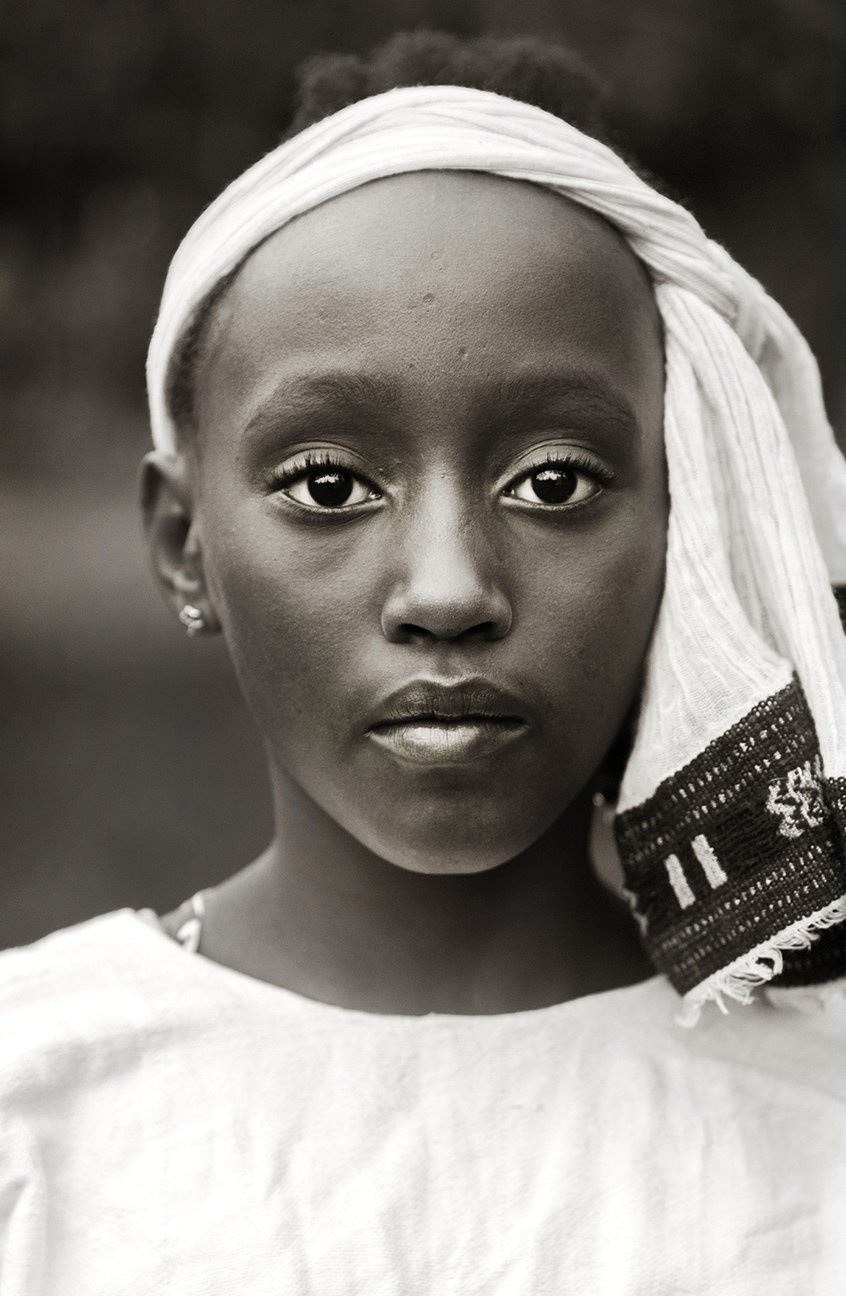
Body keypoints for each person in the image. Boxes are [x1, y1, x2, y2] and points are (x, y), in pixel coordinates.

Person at [3, 31, 846, 1292]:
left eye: (553, 482)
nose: (449, 589)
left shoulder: (818, 1116)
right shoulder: (34, 1102)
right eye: (329, 484)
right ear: (186, 547)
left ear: (690, 524)